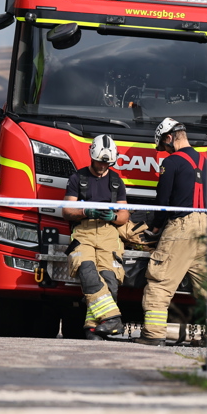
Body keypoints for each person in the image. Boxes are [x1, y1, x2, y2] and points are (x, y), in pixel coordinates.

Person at [135, 117, 207, 347]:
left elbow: (163, 201)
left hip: (181, 227)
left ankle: (154, 334)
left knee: (160, 280)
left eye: (163, 147)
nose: (164, 151)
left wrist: (155, 227)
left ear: (169, 138)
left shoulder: (172, 162)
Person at [63, 134, 129, 339]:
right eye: (100, 162)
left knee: (110, 280)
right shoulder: (77, 179)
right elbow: (66, 210)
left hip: (109, 233)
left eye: (107, 163)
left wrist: (113, 216)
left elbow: (124, 215)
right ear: (92, 156)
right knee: (87, 270)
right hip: (84, 231)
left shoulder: (116, 182)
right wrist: (86, 212)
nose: (103, 166)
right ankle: (112, 318)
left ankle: (93, 328)